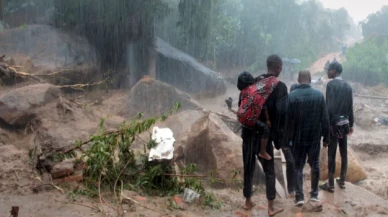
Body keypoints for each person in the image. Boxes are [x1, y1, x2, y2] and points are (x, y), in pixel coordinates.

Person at [287, 70, 330, 207]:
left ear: (299, 80)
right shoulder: (318, 95)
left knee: (298, 167)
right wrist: (326, 137)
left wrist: (287, 140)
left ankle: (299, 197)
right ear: (310, 79)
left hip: (297, 138)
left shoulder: (291, 96)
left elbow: (287, 122)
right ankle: (314, 195)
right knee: (314, 164)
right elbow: (325, 118)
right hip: (314, 137)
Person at [251, 54, 287, 216]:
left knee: (249, 166)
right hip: (268, 133)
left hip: (251, 130)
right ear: (278, 66)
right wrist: (280, 139)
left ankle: (247, 201)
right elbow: (281, 114)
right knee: (270, 170)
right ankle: (270, 207)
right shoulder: (280, 86)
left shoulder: (256, 81)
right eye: (281, 67)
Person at [320, 62, 354, 192]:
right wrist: (351, 124)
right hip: (345, 123)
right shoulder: (348, 86)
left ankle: (330, 183)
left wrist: (326, 126)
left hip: (333, 124)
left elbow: (329, 107)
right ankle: (343, 180)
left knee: (332, 153)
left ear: (334, 71)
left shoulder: (331, 85)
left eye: (329, 70)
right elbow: (350, 107)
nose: (327, 72)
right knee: (344, 152)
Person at [237, 71, 272, 161]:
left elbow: (239, 105)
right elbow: (263, 106)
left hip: (243, 121)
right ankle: (262, 151)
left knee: (248, 160)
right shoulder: (256, 91)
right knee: (265, 129)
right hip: (253, 123)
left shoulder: (242, 92)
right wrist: (267, 119)